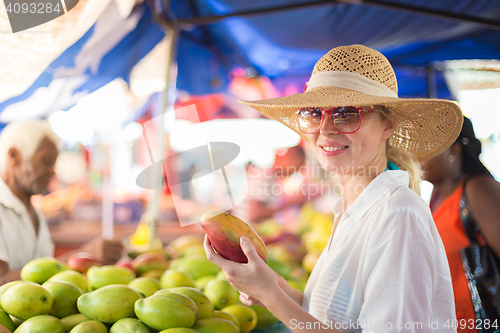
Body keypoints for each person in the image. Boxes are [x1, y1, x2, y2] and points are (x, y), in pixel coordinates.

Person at [204, 44, 464, 332]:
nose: (326, 129)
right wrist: (276, 289)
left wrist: (271, 295)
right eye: (315, 113)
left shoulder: (397, 213)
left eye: (346, 113)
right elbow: (336, 319)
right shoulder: (352, 209)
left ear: (387, 125)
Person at [0, 120, 123, 284]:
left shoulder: (34, 212)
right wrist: (78, 259)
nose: (52, 171)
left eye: (53, 164)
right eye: (45, 161)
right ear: (14, 156)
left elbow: (45, 276)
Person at [420, 117, 500, 332]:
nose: (418, 155)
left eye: (427, 146)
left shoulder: (479, 188)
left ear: (453, 152)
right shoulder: (436, 196)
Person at [231, 145, 309, 226]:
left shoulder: (271, 179)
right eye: (298, 165)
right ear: (290, 159)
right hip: (245, 231)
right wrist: (288, 204)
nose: (296, 171)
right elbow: (254, 214)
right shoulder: (265, 176)